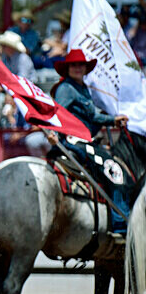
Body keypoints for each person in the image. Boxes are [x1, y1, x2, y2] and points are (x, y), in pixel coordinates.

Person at [47, 49, 131, 233]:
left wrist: (112, 120)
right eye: (74, 65)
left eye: (81, 65)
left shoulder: (82, 88)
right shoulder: (66, 89)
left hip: (86, 140)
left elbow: (92, 116)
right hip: (75, 141)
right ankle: (120, 224)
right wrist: (53, 133)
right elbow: (57, 113)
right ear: (67, 68)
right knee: (114, 172)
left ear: (85, 68)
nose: (78, 68)